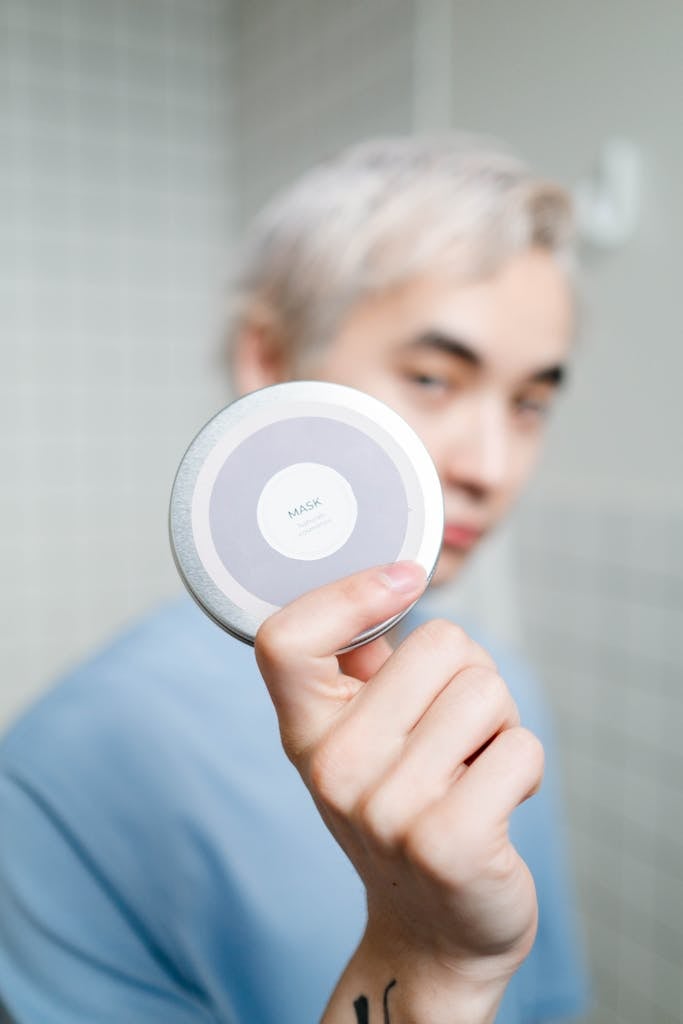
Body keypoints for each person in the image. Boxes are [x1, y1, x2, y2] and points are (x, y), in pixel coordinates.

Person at [0, 137, 589, 1023]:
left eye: (529, 402)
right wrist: (423, 962)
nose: (492, 465)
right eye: (433, 378)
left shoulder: (490, 690)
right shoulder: (56, 775)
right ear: (269, 362)